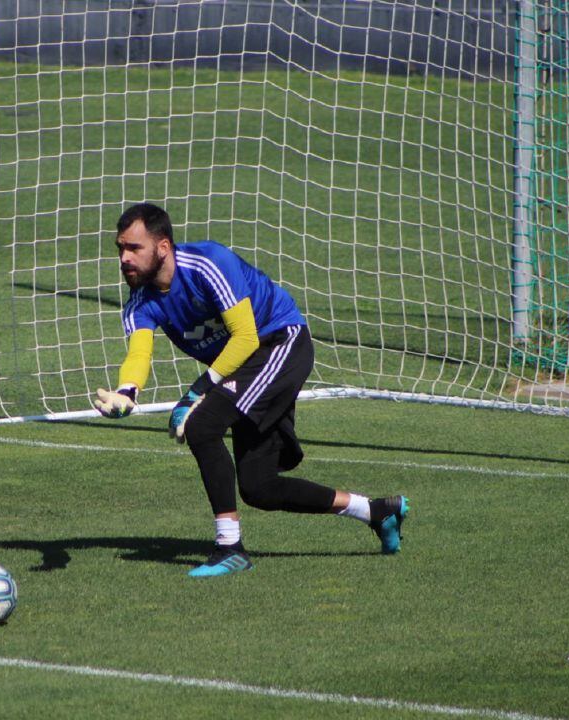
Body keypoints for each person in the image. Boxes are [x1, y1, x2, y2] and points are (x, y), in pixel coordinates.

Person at [93, 203, 409, 577]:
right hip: (243, 366)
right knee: (260, 488)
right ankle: (376, 512)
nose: (124, 258)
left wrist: (196, 394)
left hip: (279, 343)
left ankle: (230, 548)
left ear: (163, 247)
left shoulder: (207, 262)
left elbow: (245, 337)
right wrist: (127, 392)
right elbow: (139, 353)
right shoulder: (139, 303)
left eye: (134, 248)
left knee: (202, 426)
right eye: (120, 249)